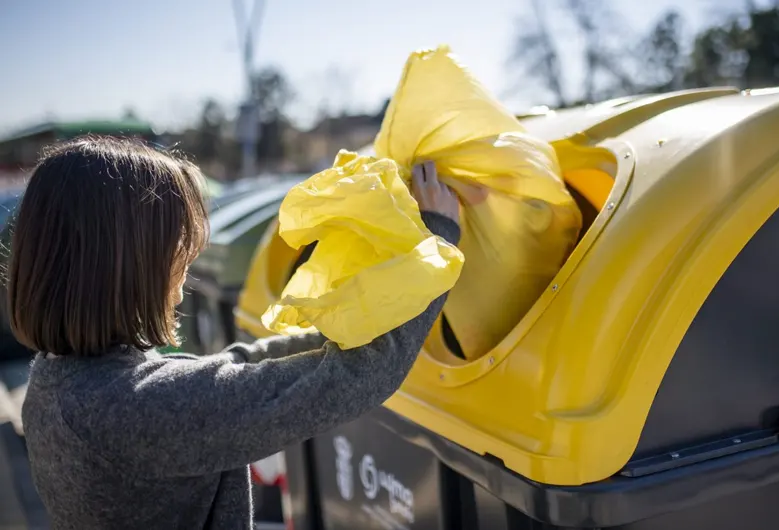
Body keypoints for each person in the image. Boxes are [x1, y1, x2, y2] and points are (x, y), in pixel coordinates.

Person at [9, 137, 460, 530]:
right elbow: (360, 377)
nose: (184, 276)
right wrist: (439, 235)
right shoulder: (135, 412)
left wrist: (337, 330)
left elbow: (233, 369)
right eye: (178, 253)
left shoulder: (59, 383)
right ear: (127, 265)